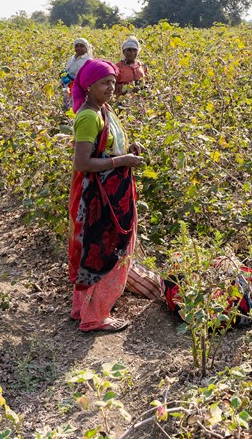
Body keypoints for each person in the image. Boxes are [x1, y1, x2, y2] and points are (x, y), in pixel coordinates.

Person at [68, 59, 145, 332]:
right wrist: (120, 161)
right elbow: (83, 162)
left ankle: (83, 309)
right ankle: (95, 316)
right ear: (88, 86)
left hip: (110, 193)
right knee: (105, 250)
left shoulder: (103, 110)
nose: (111, 87)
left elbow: (109, 145)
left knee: (94, 250)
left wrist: (128, 148)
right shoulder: (89, 116)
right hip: (99, 197)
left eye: (113, 81)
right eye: (105, 83)